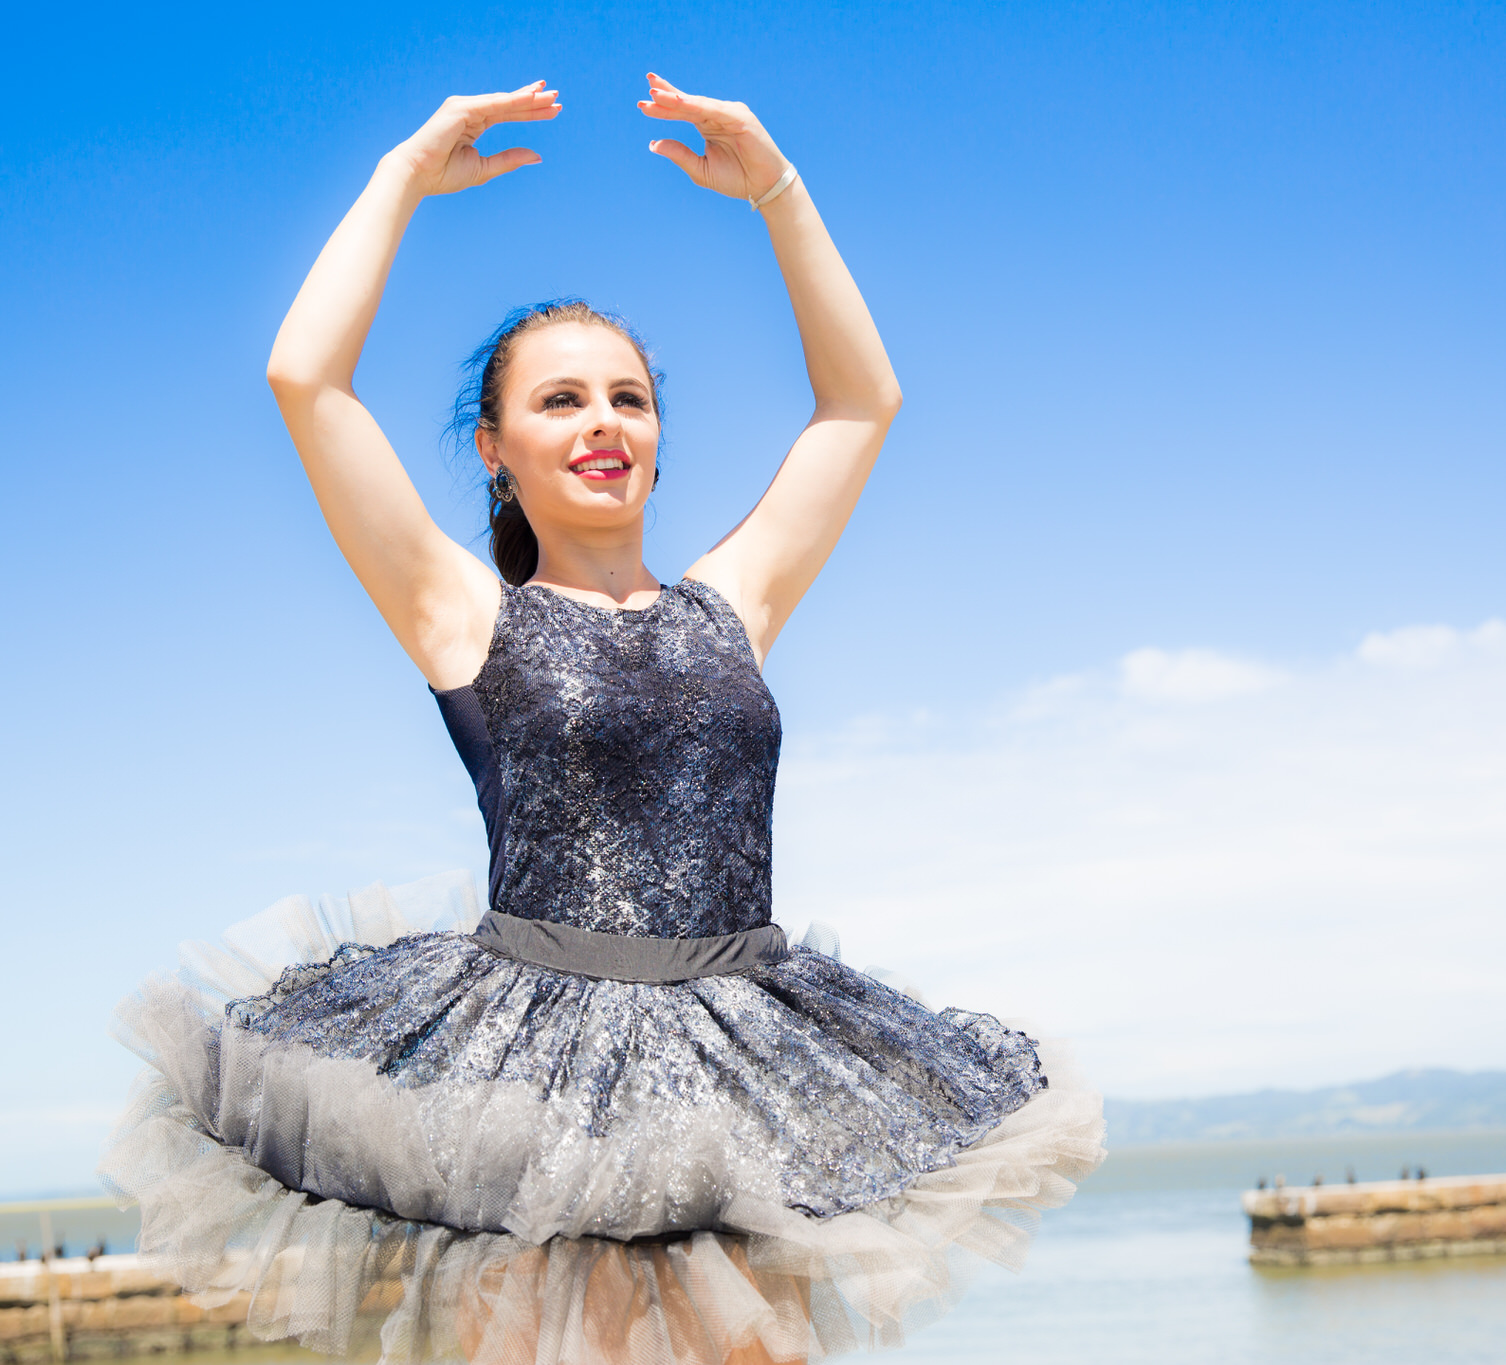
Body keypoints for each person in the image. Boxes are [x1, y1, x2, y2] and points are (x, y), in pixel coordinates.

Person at [100, 75, 1104, 1365]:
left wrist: (778, 189)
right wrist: (403, 174)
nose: (603, 424)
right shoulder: (464, 613)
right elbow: (307, 378)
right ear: (494, 447)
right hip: (541, 1088)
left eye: (630, 398)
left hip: (742, 1068)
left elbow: (863, 403)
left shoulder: (732, 603)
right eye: (561, 400)